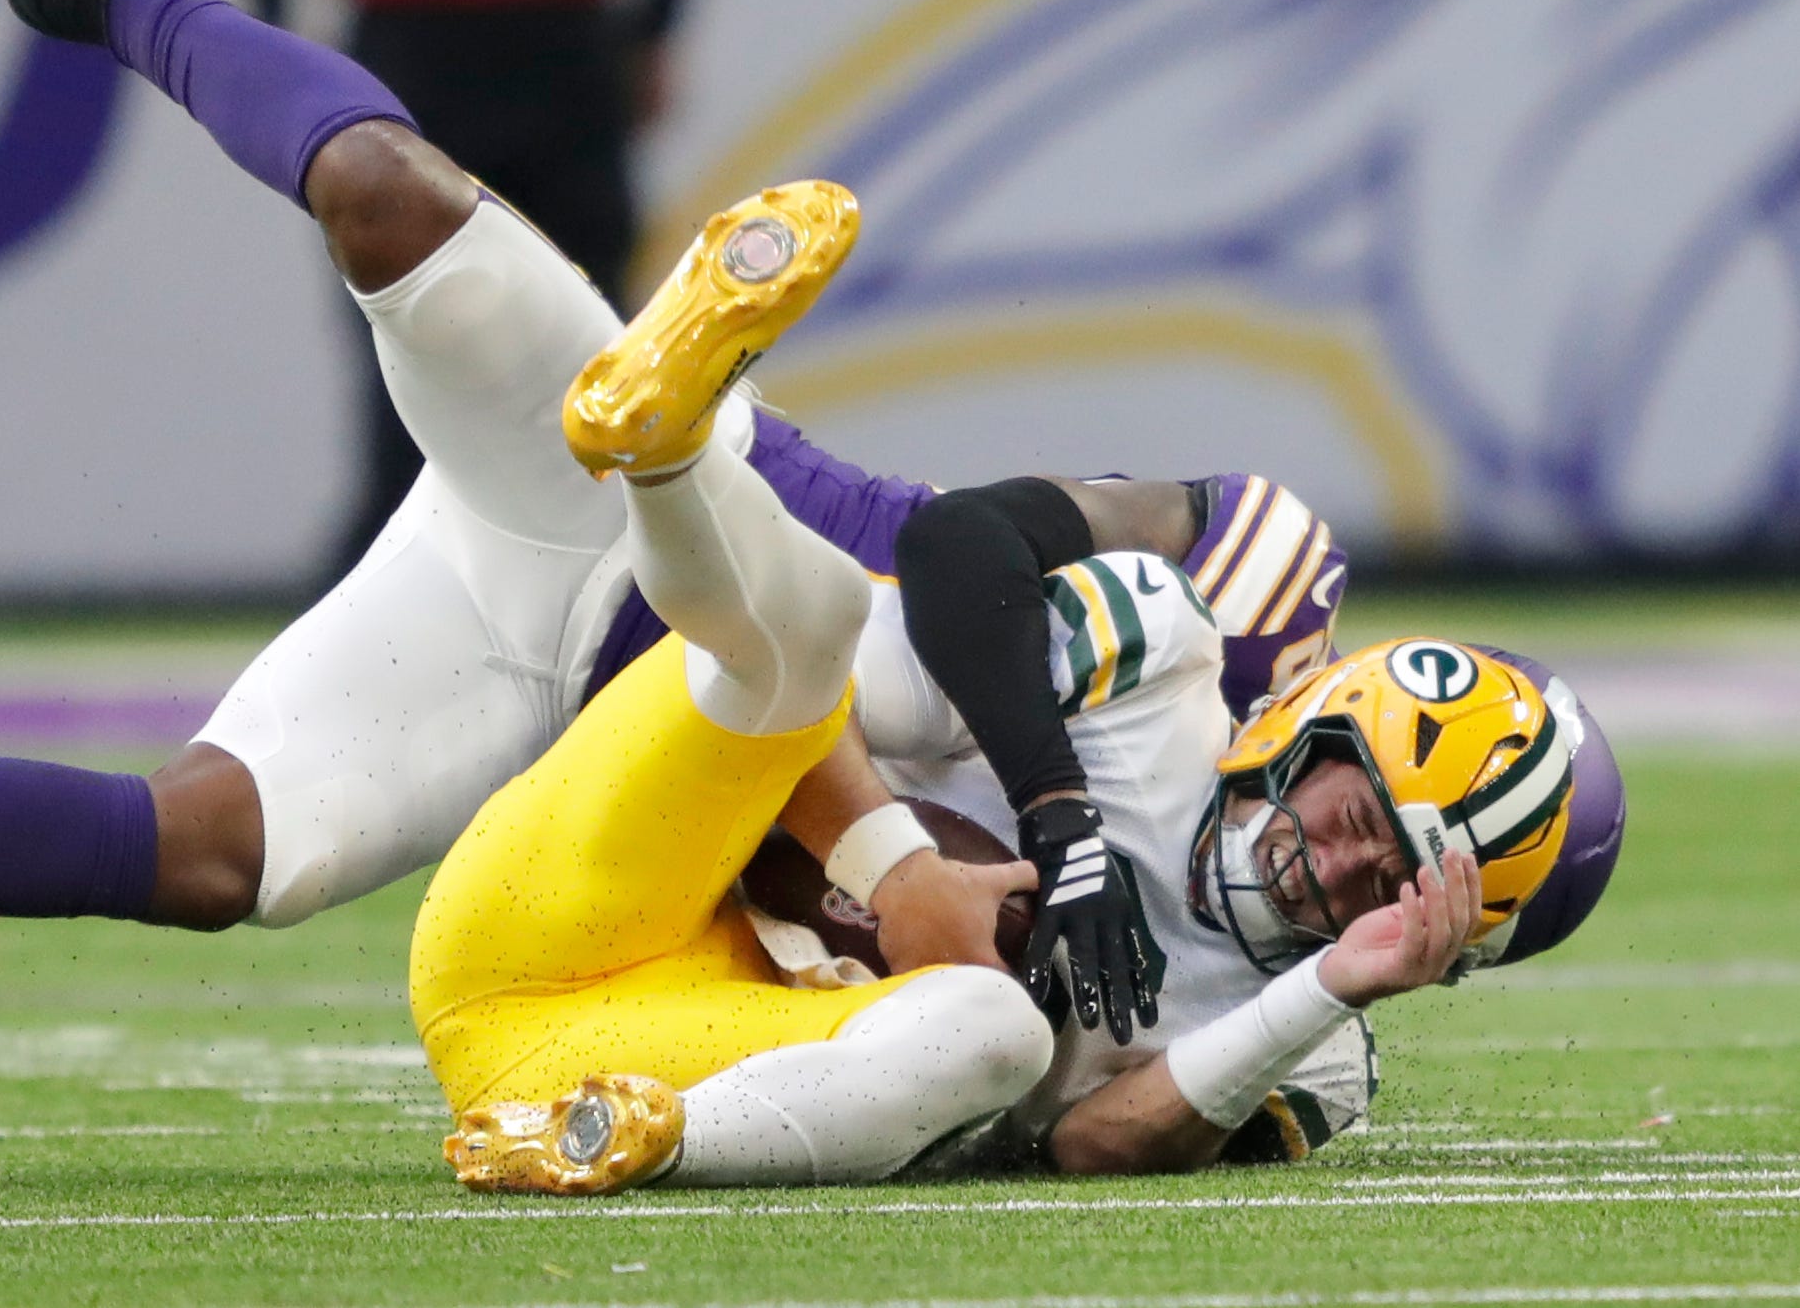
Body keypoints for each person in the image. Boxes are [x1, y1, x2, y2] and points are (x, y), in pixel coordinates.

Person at [0, 0, 1619, 1022]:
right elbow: (987, 555)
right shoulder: (1222, 621)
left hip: (611, 706)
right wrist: (1066, 815)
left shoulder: (1258, 976)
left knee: (223, 851)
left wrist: (1059, 947)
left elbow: (1038, 1044)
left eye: (1409, 889)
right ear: (1340, 720)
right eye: (1378, 832)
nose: (1349, 867)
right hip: (688, 536)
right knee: (397, 206)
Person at [421, 151, 1584, 1194]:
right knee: (823, 620)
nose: (1330, 869)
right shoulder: (1151, 661)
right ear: (1309, 724)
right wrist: (943, 858)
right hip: (556, 912)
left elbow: (1094, 1145)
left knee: (994, 1032)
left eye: (1383, 884)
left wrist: (1326, 988)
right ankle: (662, 459)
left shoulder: (1312, 1040)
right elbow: (830, 647)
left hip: (652, 1046)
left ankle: (620, 1142)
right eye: (1352, 818)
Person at [211, 0, 713, 577]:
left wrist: (273, 29)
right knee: (591, 352)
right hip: (563, 50)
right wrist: (655, 24)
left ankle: (385, 609)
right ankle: (627, 605)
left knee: (410, 358)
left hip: (407, 55)